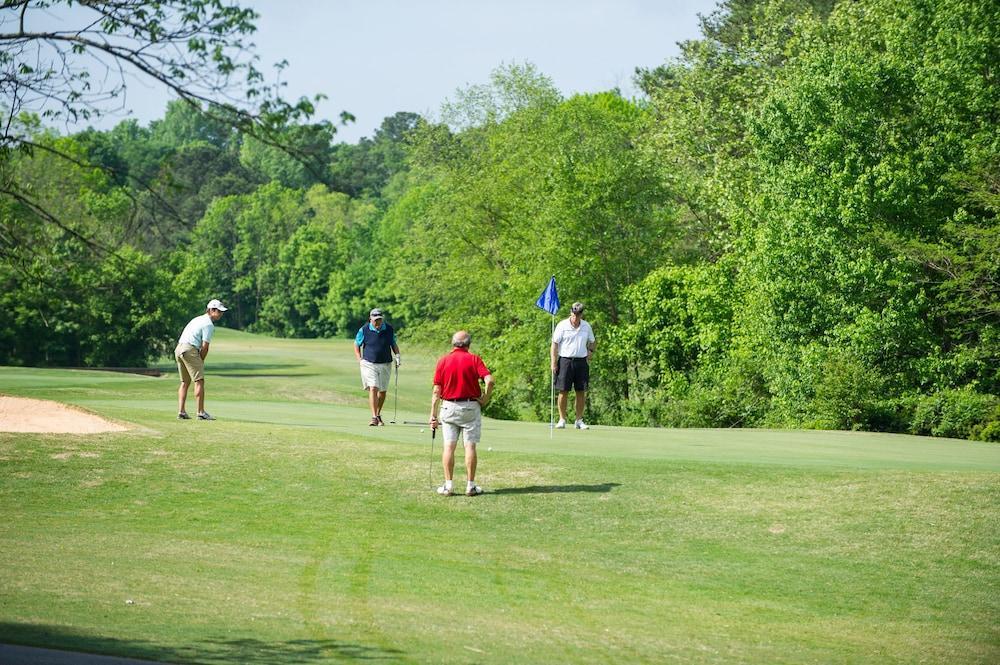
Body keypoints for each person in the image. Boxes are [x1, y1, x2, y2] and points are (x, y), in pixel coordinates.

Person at [429, 331, 494, 497]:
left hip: (449, 407)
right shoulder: (474, 359)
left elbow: (437, 391)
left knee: (449, 446)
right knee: (470, 446)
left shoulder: (443, 360)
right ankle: (470, 486)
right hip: (470, 407)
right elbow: (490, 380)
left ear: (453, 344)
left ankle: (449, 486)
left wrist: (433, 415)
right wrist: (485, 398)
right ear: (468, 344)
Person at [175, 298, 227, 421]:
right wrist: (201, 360)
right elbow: (205, 346)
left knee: (185, 382)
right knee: (199, 381)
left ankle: (181, 411)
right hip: (189, 349)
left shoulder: (197, 319)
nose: (221, 314)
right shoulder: (208, 324)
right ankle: (201, 412)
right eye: (218, 311)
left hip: (179, 348)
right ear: (211, 310)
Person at [551, 301, 596, 430]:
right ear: (571, 312)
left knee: (580, 391)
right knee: (563, 391)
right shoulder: (562, 325)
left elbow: (592, 342)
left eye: (578, 314)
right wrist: (553, 362)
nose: (575, 316)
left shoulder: (586, 326)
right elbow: (554, 344)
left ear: (581, 314)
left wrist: (590, 351)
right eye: (574, 313)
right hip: (565, 360)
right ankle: (562, 419)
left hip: (581, 361)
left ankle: (579, 420)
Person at [354, 308, 400, 426]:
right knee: (373, 387)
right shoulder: (364, 329)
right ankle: (374, 417)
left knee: (382, 391)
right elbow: (356, 344)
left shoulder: (388, 328)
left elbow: (393, 343)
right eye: (375, 320)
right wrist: (359, 359)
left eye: (379, 320)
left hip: (385, 363)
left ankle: (378, 414)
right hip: (369, 363)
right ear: (370, 319)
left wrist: (398, 356)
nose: (378, 322)